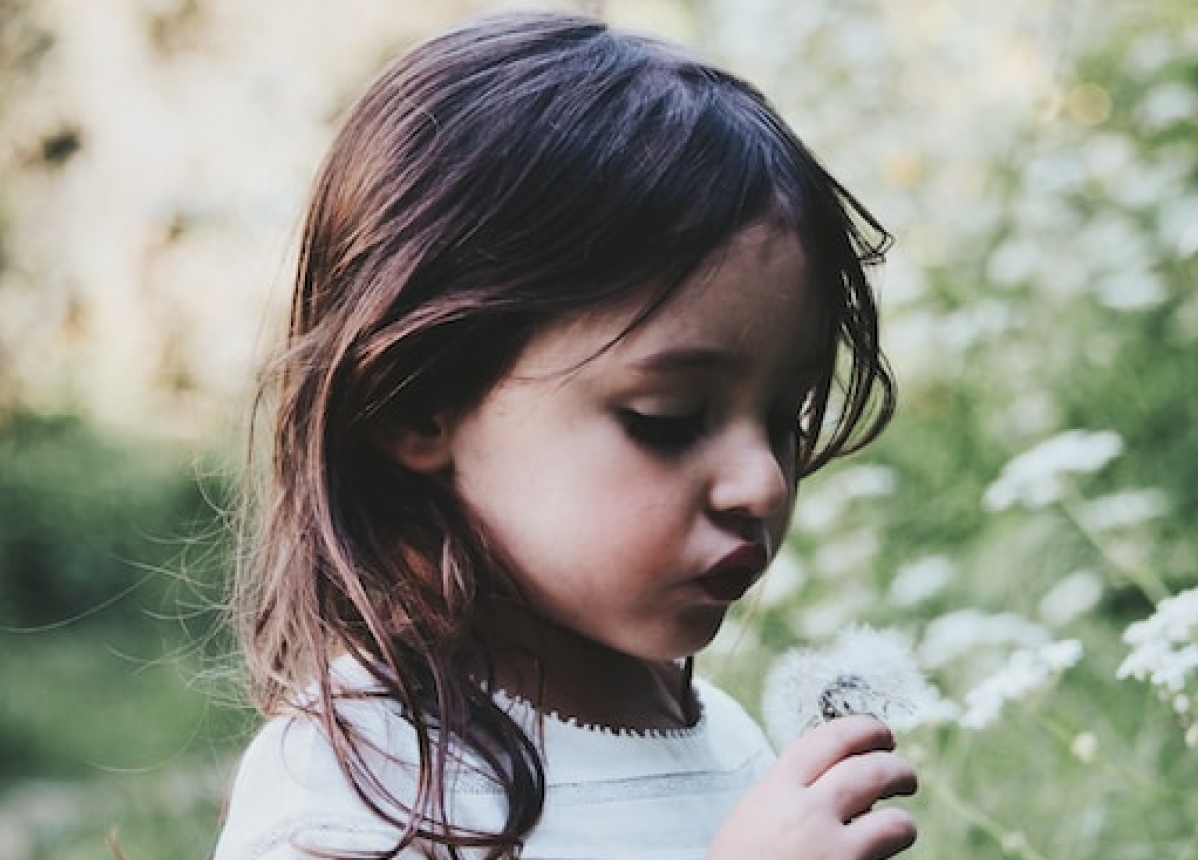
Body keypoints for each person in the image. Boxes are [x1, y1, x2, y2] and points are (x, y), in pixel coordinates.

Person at [213, 9, 915, 860]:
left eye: (784, 416)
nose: (763, 481)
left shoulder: (725, 740)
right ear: (415, 404)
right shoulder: (358, 791)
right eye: (669, 419)